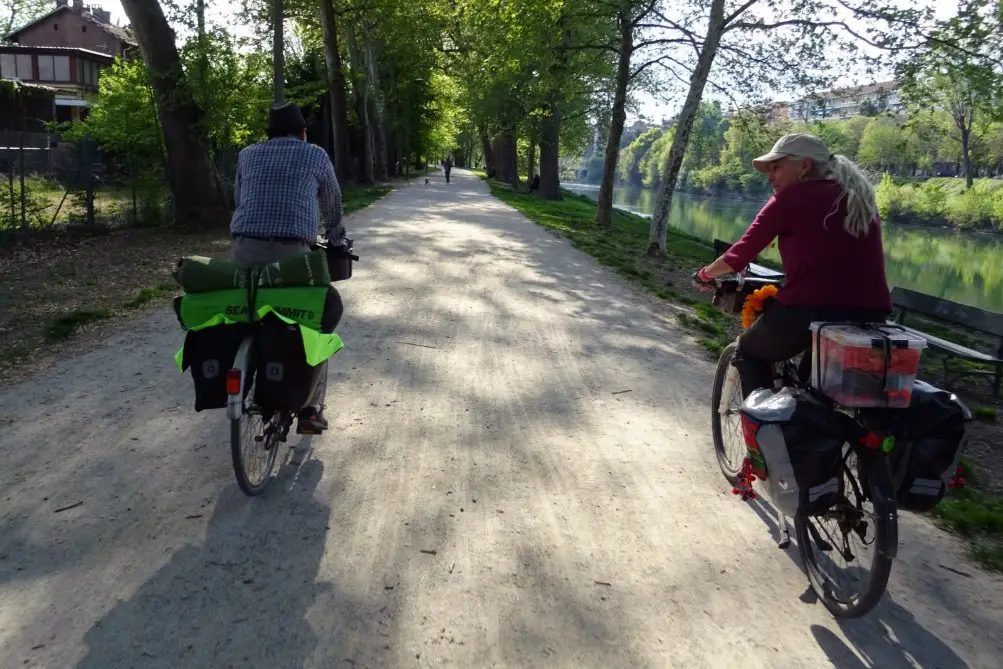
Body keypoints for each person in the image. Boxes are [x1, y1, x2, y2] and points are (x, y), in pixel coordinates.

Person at [692, 133, 892, 398]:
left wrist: (704, 274)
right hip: (871, 315)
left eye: (776, 167)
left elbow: (738, 256)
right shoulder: (860, 200)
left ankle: (762, 431)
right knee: (818, 391)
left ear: (804, 166)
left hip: (809, 311)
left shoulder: (790, 199)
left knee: (748, 352)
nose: (769, 176)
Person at [230, 102, 347, 434]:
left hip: (243, 250)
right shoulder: (315, 155)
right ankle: (311, 407)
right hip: (292, 256)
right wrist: (336, 239)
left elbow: (239, 200)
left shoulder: (247, 154)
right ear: (303, 132)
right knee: (322, 314)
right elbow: (332, 204)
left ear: (268, 134)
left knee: (254, 301)